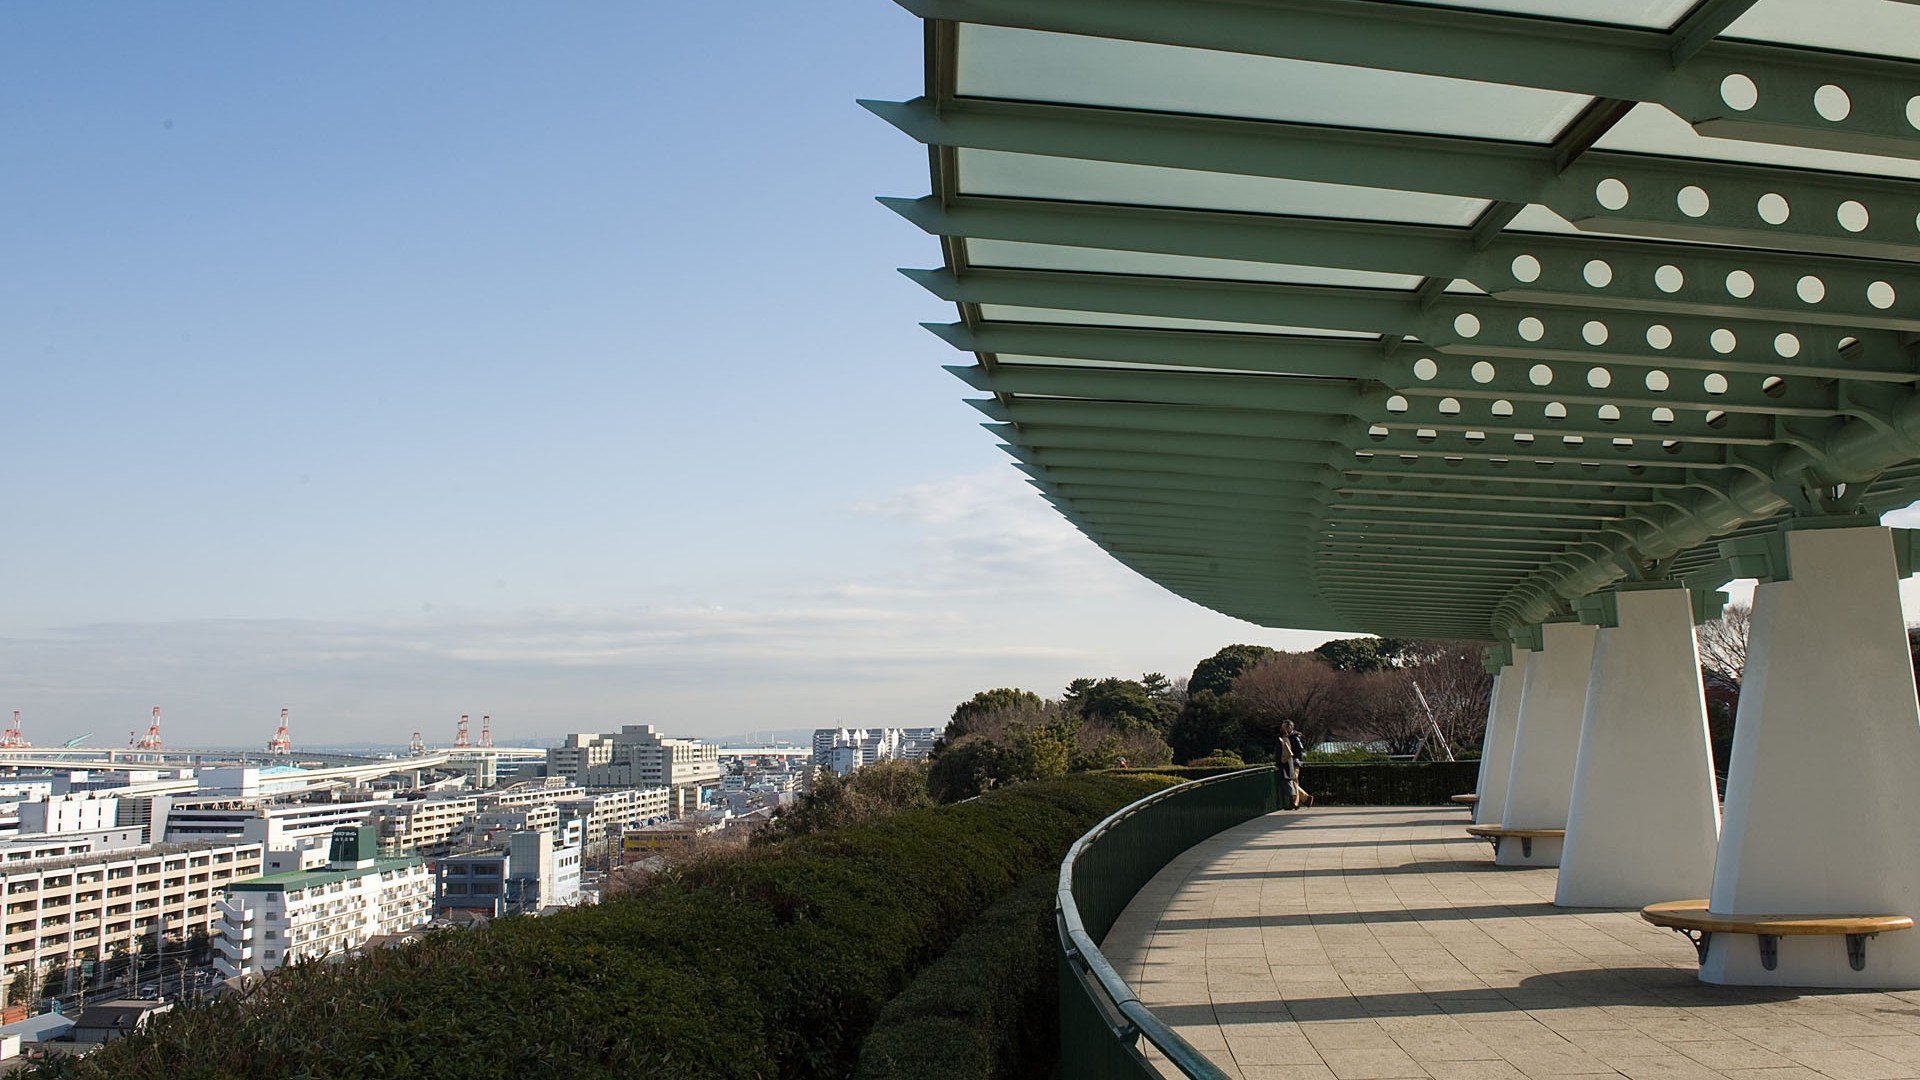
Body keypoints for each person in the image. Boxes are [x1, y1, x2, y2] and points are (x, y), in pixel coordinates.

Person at [1278, 721, 1311, 810]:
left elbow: (1300, 750)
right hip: (1290, 763)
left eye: (1284, 727)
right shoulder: (1288, 737)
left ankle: (1295, 802)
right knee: (1293, 782)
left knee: (1294, 781)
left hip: (1295, 763)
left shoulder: (1294, 737)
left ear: (1289, 727)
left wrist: (1296, 759)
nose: (1282, 729)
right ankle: (1305, 798)